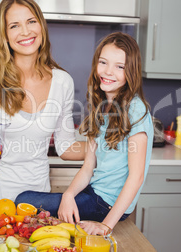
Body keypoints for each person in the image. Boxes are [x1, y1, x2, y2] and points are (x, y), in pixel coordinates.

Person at [15, 32, 153, 230]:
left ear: (131, 71)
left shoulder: (136, 109)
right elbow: (89, 167)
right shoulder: (102, 107)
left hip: (107, 205)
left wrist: (105, 227)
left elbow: (136, 177)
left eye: (119, 67)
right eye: (103, 62)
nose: (108, 71)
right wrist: (69, 195)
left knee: (23, 201)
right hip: (94, 193)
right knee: (29, 203)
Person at [0, 0, 85, 201]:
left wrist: (109, 148)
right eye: (14, 26)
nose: (25, 31)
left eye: (31, 21)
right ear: (4, 35)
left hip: (38, 201)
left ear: (41, 26)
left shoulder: (63, 82)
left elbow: (65, 146)